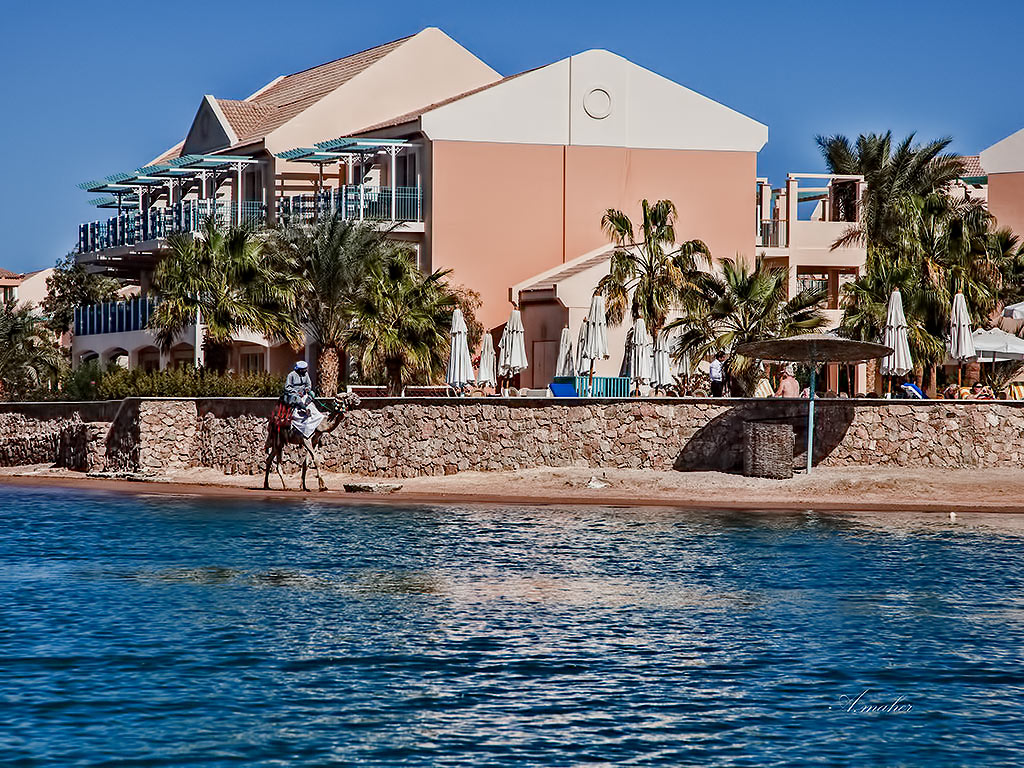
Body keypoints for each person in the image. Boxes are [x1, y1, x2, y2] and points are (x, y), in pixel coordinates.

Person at [284, 361, 325, 438]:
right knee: (297, 398)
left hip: (304, 393)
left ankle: (306, 405)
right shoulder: (291, 375)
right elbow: (287, 387)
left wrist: (307, 389)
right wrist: (296, 392)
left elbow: (308, 384)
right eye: (303, 369)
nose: (305, 371)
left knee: (312, 394)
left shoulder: (306, 375)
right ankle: (304, 409)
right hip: (293, 394)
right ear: (299, 369)